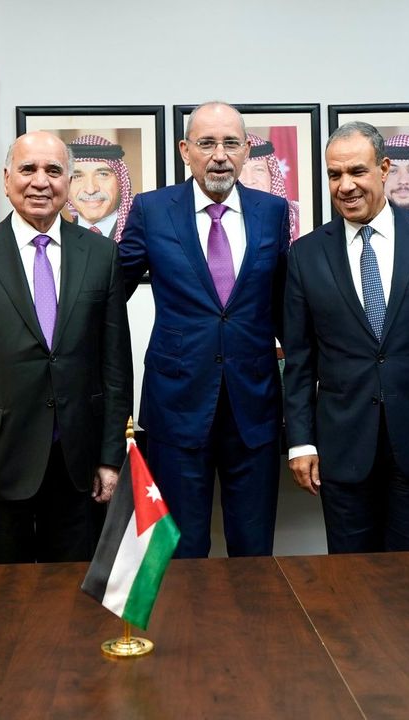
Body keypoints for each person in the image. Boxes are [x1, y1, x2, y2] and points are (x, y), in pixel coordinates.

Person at [282, 122, 409, 554]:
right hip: (343, 445)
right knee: (351, 577)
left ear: (383, 168)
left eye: (357, 171)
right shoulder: (305, 255)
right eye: (335, 175)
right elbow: (300, 361)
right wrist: (300, 442)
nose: (346, 186)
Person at [0, 131, 132, 564]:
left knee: (74, 593)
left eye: (53, 171)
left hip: (79, 465)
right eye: (28, 169)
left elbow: (116, 366)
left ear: (67, 182)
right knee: (2, 596)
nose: (40, 181)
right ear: (7, 179)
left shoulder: (102, 256)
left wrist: (110, 458)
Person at [119, 102, 291, 558]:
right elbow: (109, 293)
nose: (219, 155)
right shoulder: (153, 210)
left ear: (246, 150)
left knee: (254, 550)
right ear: (185, 150)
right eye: (207, 143)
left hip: (254, 406)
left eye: (231, 143)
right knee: (181, 551)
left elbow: (285, 307)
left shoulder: (273, 211)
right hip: (176, 405)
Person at [66, 135, 133, 241]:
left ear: (120, 181)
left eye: (103, 174)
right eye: (77, 176)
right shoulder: (54, 240)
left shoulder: (142, 236)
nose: (90, 190)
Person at [240, 133, 301, 243]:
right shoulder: (216, 219)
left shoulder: (298, 217)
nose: (249, 180)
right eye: (240, 170)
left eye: (259, 169)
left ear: (272, 175)